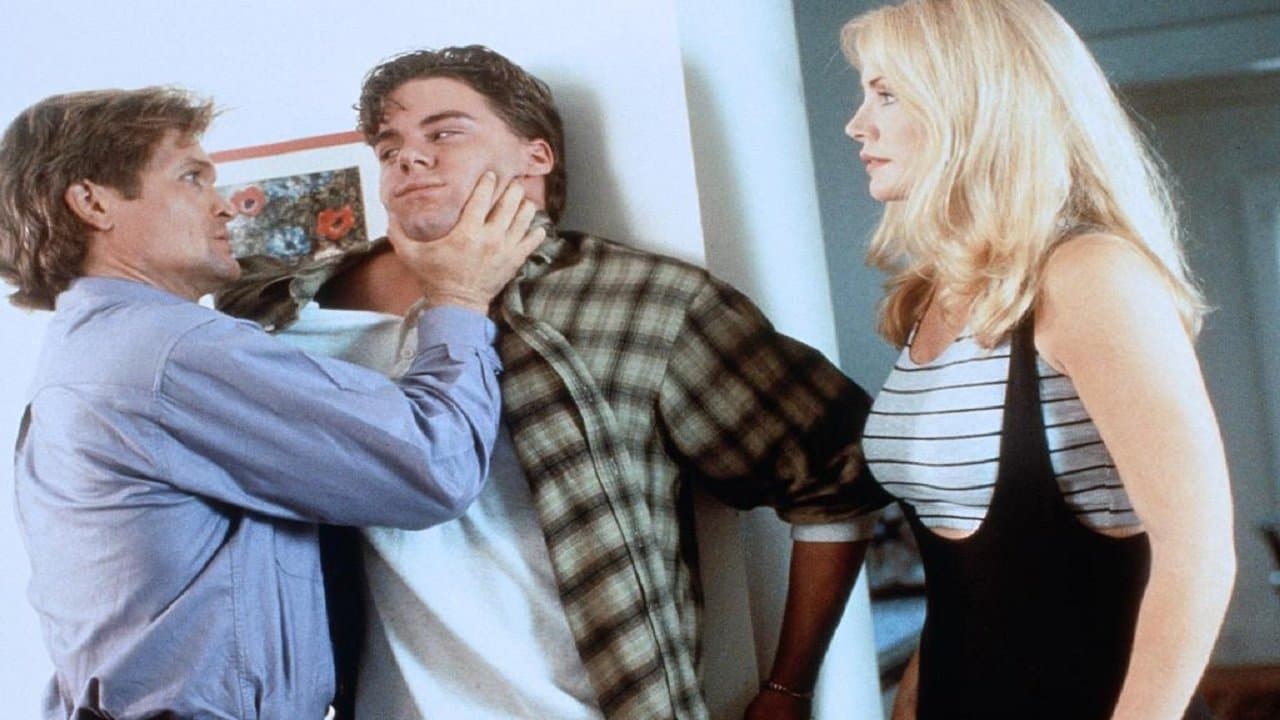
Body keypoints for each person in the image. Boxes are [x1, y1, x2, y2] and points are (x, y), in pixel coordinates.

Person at [216, 46, 888, 720]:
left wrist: (789, 688)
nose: (408, 158)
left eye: (444, 133)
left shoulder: (640, 299)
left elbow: (838, 470)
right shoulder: (281, 320)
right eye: (389, 147)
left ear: (536, 157)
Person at [0, 86, 544, 719]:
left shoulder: (93, 347)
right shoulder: (168, 351)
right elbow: (432, 466)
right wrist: (460, 295)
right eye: (192, 178)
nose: (225, 206)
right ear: (93, 202)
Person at [839, 1, 1236, 718]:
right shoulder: (938, 292)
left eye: (886, 93)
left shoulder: (1089, 274)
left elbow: (1198, 558)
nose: (857, 124)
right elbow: (968, 579)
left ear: (972, 101)